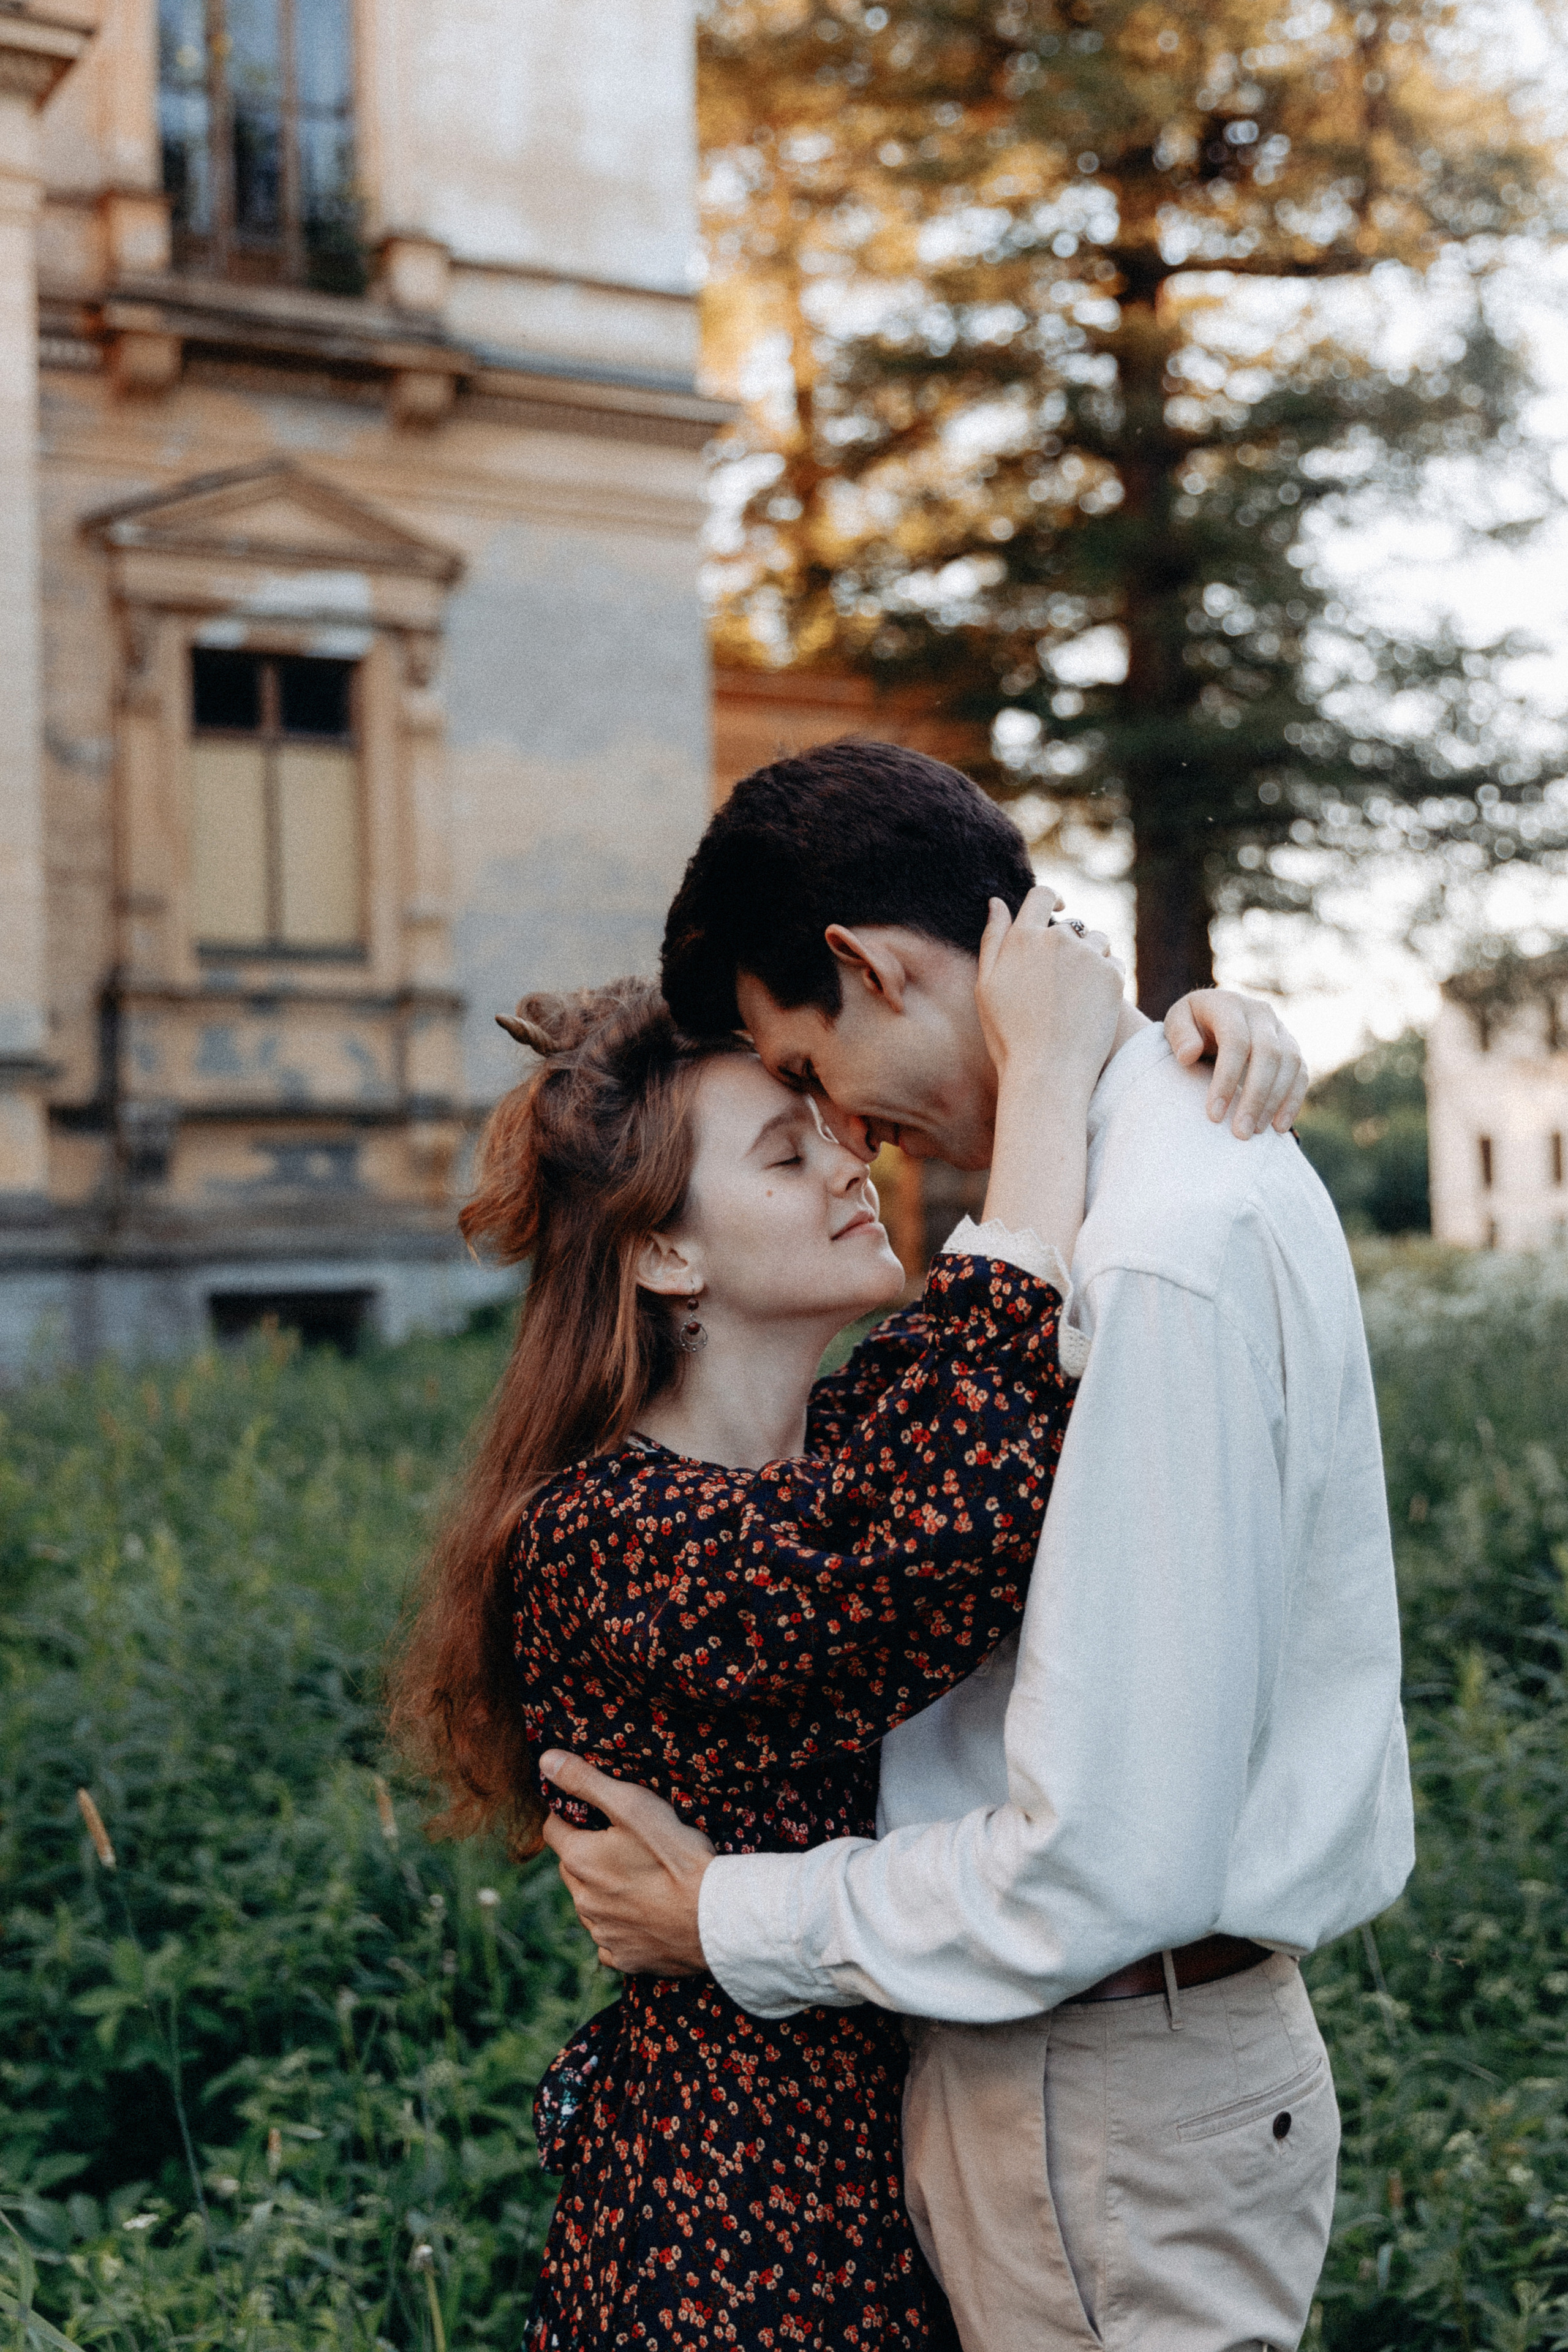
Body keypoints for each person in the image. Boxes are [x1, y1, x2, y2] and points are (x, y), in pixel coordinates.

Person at [539, 742, 1415, 2352]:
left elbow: (1099, 1861)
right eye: (791, 1129)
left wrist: (726, 1915)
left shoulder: (1150, 1245)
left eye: (812, 1073)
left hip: (1103, 2078)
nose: (848, 1134)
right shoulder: (1138, 1180)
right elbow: (925, 1507)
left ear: (872, 966)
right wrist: (1160, 1036)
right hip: (1041, 2083)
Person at [386, 903, 1303, 2351]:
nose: (850, 1158)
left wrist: (1181, 1058)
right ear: (665, 1262)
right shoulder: (598, 1536)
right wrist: (1053, 1089)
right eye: (782, 1151)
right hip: (736, 2222)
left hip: (909, 2153)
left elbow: (982, 1404)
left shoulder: (851, 1440)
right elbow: (915, 1551)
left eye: (829, 1126)